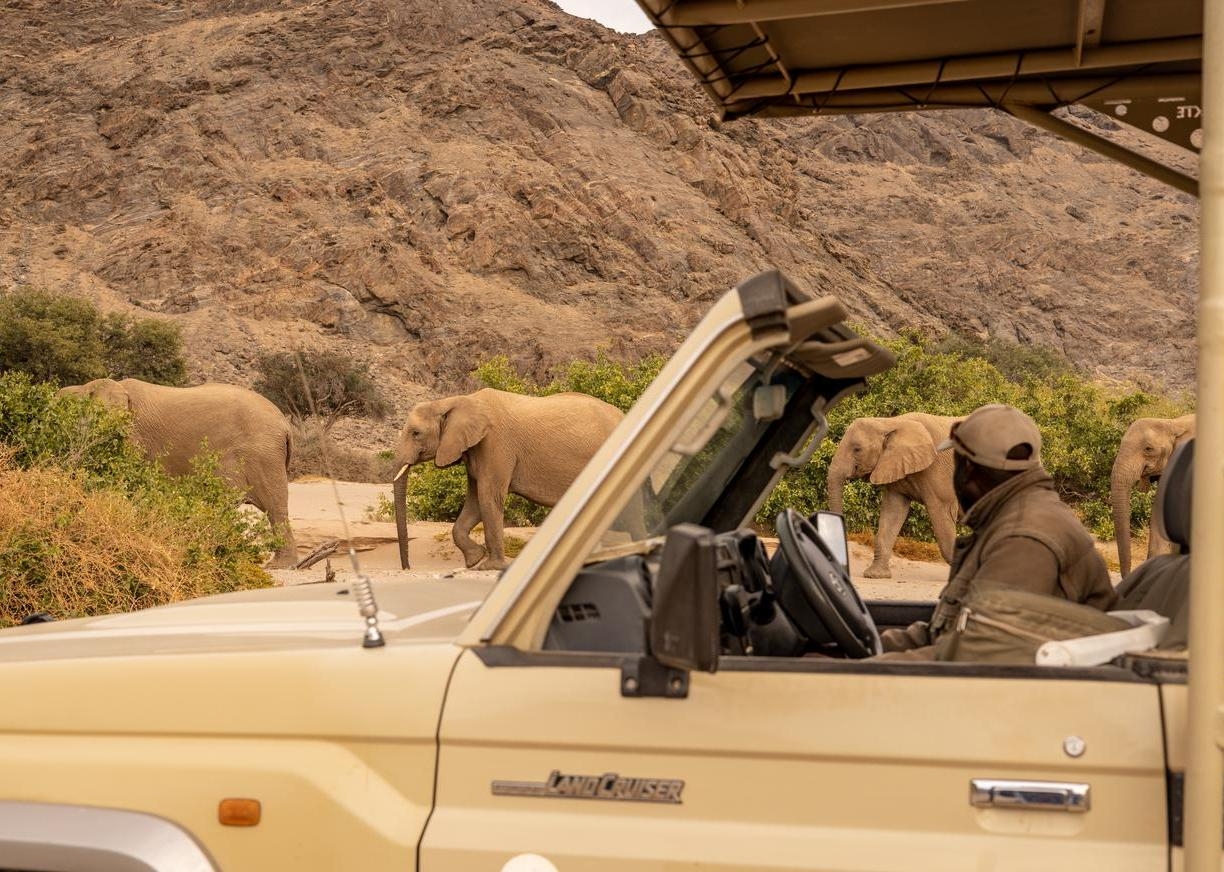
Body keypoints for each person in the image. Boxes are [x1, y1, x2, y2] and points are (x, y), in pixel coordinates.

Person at [879, 403, 1116, 660]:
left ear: (967, 470)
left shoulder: (1023, 540)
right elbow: (953, 629)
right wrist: (875, 646)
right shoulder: (1008, 521)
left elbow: (976, 656)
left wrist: (866, 668)